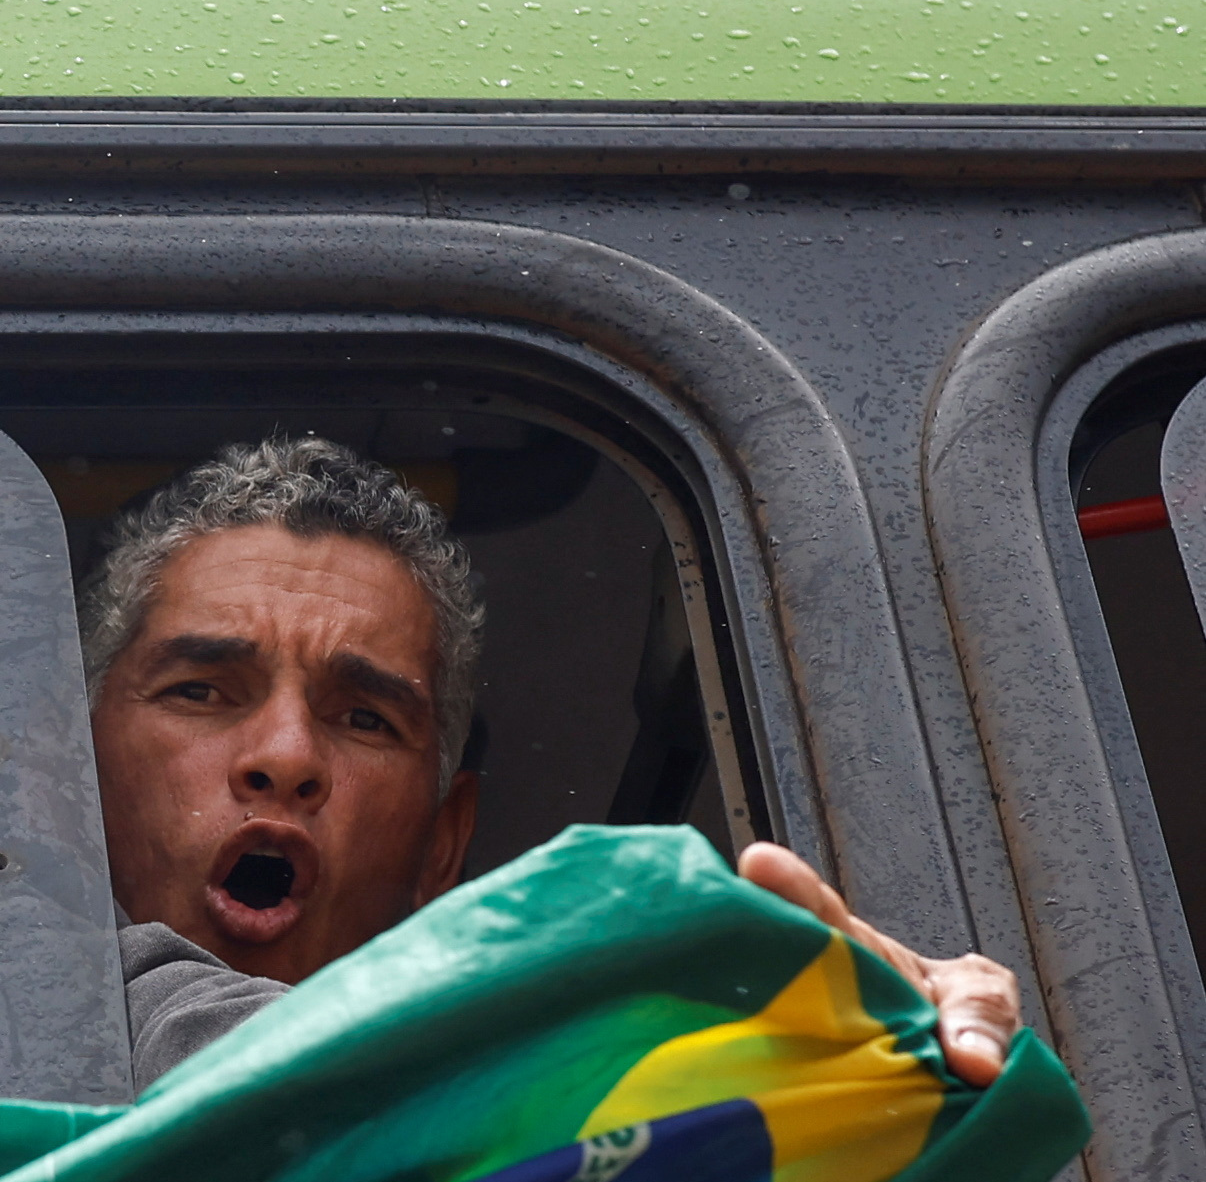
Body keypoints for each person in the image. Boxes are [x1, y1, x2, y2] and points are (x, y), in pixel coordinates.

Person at [83, 432, 1018, 1094]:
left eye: (364, 718)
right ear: (66, 782)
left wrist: (908, 1059)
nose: (286, 757)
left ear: (444, 845)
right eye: (201, 692)